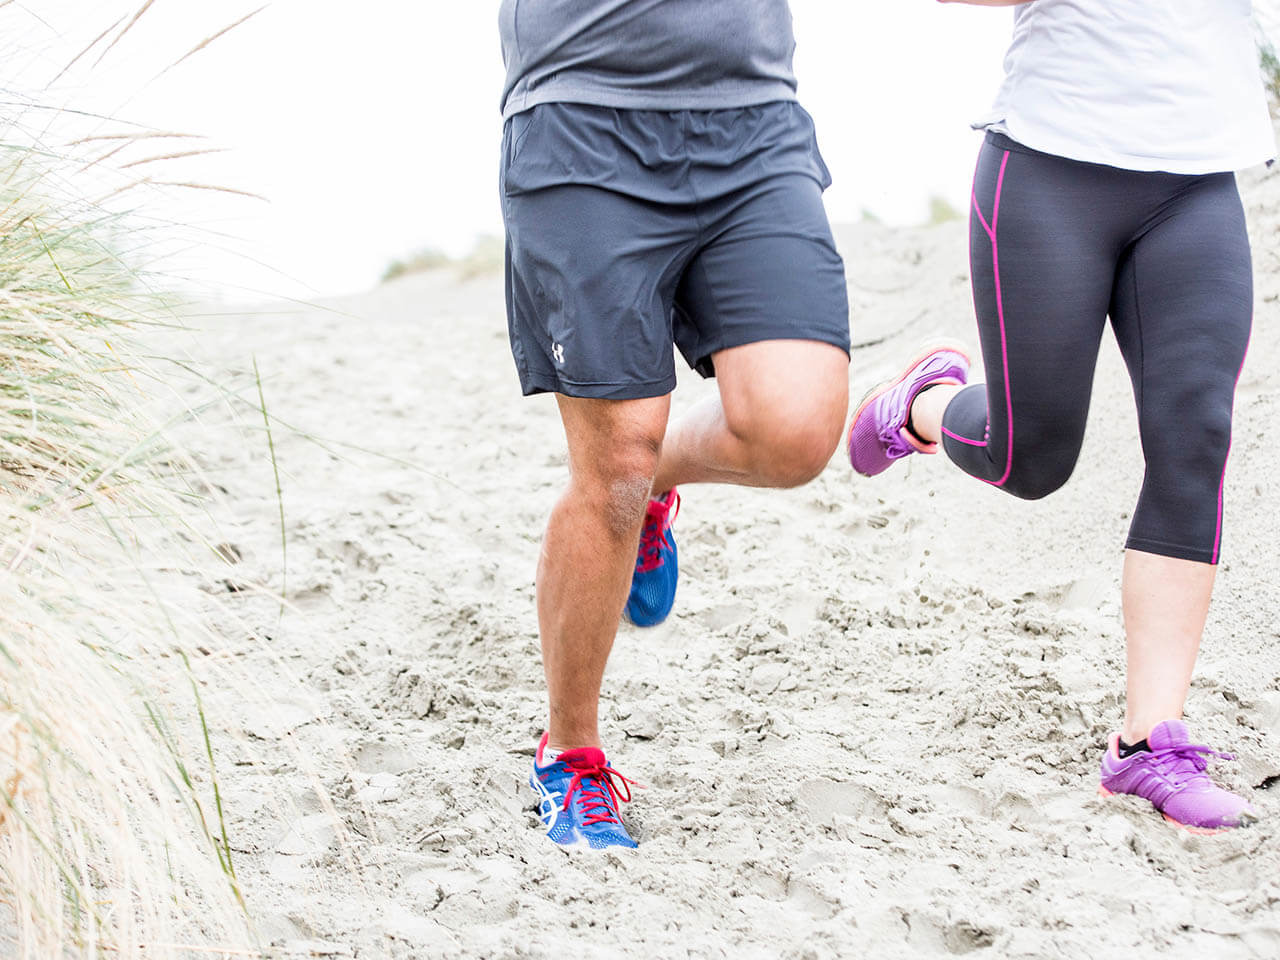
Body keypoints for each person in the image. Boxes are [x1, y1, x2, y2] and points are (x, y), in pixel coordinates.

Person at [848, 0, 1275, 832]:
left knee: (1195, 437)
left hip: (1198, 175)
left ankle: (1148, 743)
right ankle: (923, 403)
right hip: (1050, 166)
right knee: (1029, 460)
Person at [498, 0, 851, 849]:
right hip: (582, 119)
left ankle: (658, 484)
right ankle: (571, 755)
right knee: (614, 461)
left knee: (795, 431)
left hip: (753, 122)